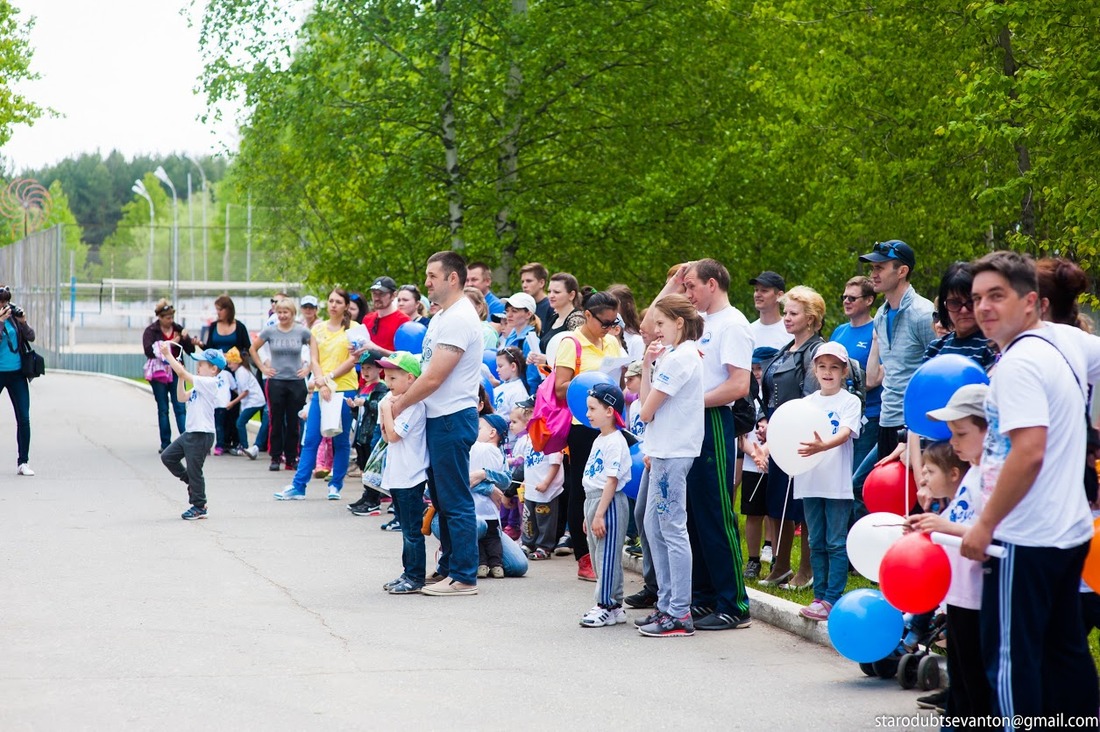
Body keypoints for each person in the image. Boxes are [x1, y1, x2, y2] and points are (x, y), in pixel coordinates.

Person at [961, 250, 1100, 725]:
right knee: (1065, 653)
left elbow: (1028, 452)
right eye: (977, 297)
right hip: (1068, 531)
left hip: (1025, 536)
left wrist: (984, 525)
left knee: (1011, 660)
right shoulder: (1066, 343)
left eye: (997, 296)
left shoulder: (1018, 364)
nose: (983, 308)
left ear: (1032, 302)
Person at [641, 259, 755, 630]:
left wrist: (685, 399)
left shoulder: (733, 323)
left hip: (712, 419)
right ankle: (703, 596)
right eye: (682, 287)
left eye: (690, 286)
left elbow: (739, 386)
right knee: (686, 514)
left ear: (712, 284)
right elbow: (647, 326)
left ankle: (734, 602)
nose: (685, 294)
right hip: (684, 421)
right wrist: (671, 280)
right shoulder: (689, 323)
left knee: (715, 510)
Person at [392, 251, 484, 597]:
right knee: (443, 500)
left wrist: (399, 403)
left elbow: (433, 378)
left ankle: (463, 577)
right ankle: (449, 568)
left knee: (455, 499)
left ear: (453, 279)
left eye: (432, 276)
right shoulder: (443, 316)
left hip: (450, 418)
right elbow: (425, 366)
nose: (427, 282)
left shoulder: (459, 318)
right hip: (438, 418)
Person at [908, 385, 992, 724]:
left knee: (975, 684)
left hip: (978, 598)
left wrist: (942, 527)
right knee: (962, 681)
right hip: (959, 597)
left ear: (989, 430)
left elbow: (984, 534)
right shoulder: (973, 477)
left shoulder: (987, 479)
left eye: (960, 433)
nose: (952, 442)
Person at [632, 294, 704, 638]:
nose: (655, 331)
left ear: (680, 322)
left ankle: (679, 611)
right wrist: (647, 364)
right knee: (653, 524)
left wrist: (642, 414)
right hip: (661, 449)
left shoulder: (683, 358)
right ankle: (665, 604)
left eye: (660, 323)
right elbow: (647, 400)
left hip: (673, 451)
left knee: (671, 527)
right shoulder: (671, 356)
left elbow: (645, 411)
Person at [554, 290, 626, 581]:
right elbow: (560, 387)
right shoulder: (571, 343)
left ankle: (603, 548)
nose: (609, 328)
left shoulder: (611, 341)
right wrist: (590, 385)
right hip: (582, 425)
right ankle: (583, 555)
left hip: (611, 423)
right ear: (587, 315)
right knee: (582, 490)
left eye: (613, 322)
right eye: (604, 322)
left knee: (610, 484)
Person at [855, 240, 935, 496]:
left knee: (910, 496)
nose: (873, 274)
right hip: (887, 419)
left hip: (914, 423)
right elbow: (885, 371)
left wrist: (922, 425)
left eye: (880, 267)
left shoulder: (924, 313)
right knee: (863, 486)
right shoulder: (880, 314)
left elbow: (936, 371)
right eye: (872, 268)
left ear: (902, 271)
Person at [759, 285, 824, 590]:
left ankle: (806, 570)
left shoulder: (816, 352)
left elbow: (812, 398)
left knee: (803, 506)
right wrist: (764, 420)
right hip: (776, 433)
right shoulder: (787, 350)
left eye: (793, 313)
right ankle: (781, 565)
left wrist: (783, 430)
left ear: (811, 319)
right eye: (785, 312)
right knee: (777, 501)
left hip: (801, 437)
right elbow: (769, 390)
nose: (786, 318)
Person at [793, 342, 862, 621]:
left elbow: (845, 433)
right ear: (814, 370)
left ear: (844, 371)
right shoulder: (806, 403)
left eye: (834, 367)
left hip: (836, 484)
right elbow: (789, 435)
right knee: (815, 540)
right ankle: (819, 596)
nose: (828, 372)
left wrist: (823, 446)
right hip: (809, 481)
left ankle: (832, 597)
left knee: (835, 541)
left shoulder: (850, 401)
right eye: (822, 366)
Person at [273, 288, 359, 501]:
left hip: (344, 388)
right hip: (323, 389)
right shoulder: (318, 329)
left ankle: (335, 485)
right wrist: (321, 383)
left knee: (340, 440)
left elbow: (353, 360)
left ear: (346, 306)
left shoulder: (354, 329)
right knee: (311, 438)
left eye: (338, 301)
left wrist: (327, 378)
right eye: (331, 301)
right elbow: (314, 358)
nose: (333, 305)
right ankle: (299, 486)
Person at [578, 382, 633, 628]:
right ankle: (615, 606)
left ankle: (606, 604)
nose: (588, 414)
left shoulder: (615, 441)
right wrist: (588, 514)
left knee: (607, 555)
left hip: (607, 502)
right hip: (594, 501)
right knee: (599, 556)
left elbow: (611, 481)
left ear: (609, 410)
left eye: (592, 408)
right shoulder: (600, 438)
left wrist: (599, 514)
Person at [377, 351, 430, 595]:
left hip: (410, 477)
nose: (388, 384)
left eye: (393, 378)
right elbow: (387, 436)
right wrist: (384, 411)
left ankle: (415, 576)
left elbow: (396, 435)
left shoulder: (414, 406)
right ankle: (408, 571)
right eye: (386, 378)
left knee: (412, 531)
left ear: (410, 379)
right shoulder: (395, 403)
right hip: (397, 475)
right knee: (405, 529)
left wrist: (387, 409)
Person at [159, 346, 227, 520]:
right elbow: (181, 397)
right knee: (168, 457)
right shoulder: (200, 385)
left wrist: (168, 355)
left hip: (202, 434)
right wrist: (181, 378)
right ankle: (190, 481)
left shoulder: (210, 383)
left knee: (195, 470)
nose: (198, 367)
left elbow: (183, 372)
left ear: (213, 369)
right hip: (191, 433)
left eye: (202, 364)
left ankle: (199, 506)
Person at [250, 297, 311, 472]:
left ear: (293, 314)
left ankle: (292, 458)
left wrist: (307, 368)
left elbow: (315, 348)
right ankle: (275, 457)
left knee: (294, 422)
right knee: (275, 421)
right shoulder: (270, 331)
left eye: (286, 312)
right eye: (280, 312)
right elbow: (253, 348)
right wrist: (263, 366)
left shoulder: (301, 331)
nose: (283, 316)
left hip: (296, 381)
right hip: (276, 381)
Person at [828, 276, 880, 470]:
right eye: (844, 297)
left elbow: (874, 379)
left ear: (869, 300)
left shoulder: (877, 330)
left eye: (852, 298)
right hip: (837, 415)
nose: (846, 302)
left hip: (868, 417)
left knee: (856, 478)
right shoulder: (839, 332)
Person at [200, 295, 253, 455]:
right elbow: (209, 348)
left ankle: (234, 440)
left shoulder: (240, 327)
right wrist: (200, 346)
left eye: (220, 309)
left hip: (235, 371)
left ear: (228, 310)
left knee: (233, 406)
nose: (218, 313)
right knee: (218, 406)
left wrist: (236, 357)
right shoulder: (213, 326)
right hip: (218, 372)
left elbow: (247, 348)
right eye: (216, 309)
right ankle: (220, 441)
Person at [142, 299, 196, 453]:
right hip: (159, 373)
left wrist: (185, 339)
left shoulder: (178, 329)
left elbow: (190, 350)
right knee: (163, 408)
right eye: (167, 318)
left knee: (180, 406)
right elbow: (149, 351)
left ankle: (186, 441)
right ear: (159, 317)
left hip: (176, 371)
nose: (170, 321)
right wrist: (173, 342)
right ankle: (166, 443)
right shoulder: (151, 331)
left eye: (172, 317)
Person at [513, 403, 564, 560]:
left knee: (545, 518)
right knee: (529, 517)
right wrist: (525, 480)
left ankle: (544, 546)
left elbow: (555, 463)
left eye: (530, 413)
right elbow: (529, 463)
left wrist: (546, 483)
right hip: (531, 486)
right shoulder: (530, 437)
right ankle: (528, 543)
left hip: (546, 489)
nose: (528, 417)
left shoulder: (551, 436)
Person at [346, 354, 391, 517]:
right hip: (362, 434)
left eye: (369, 368)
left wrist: (364, 403)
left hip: (373, 433)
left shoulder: (381, 388)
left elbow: (379, 407)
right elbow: (360, 414)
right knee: (365, 466)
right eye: (363, 368)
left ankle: (373, 499)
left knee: (373, 466)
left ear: (379, 369)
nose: (364, 371)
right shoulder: (363, 388)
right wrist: (354, 407)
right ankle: (368, 496)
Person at [0, 285, 36, 475]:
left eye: (6, 302)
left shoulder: (13, 316)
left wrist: (23, 322)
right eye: (1, 302)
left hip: (17, 374)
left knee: (23, 418)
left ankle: (23, 462)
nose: (4, 305)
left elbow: (31, 336)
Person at [471, 413, 509, 579]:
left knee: (477, 539)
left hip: (473, 507)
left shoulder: (477, 448)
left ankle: (482, 565)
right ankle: (497, 565)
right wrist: (489, 486)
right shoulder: (499, 453)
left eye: (479, 428)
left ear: (492, 432)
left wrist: (482, 477)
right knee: (493, 538)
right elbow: (506, 479)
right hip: (491, 510)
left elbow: (466, 478)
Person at [224, 347, 268, 459]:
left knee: (240, 422)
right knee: (244, 422)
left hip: (254, 401)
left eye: (230, 363)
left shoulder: (241, 372)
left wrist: (232, 403)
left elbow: (245, 392)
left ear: (236, 361)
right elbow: (240, 389)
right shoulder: (241, 371)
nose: (229, 366)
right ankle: (247, 446)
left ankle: (244, 446)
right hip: (255, 400)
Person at [536, 272, 585, 361]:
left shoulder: (577, 320)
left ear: (571, 295)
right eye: (549, 291)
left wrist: (547, 361)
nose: (551, 296)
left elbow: (577, 355)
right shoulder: (554, 318)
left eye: (556, 292)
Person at [501, 292, 542, 388]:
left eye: (514, 311)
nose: (509, 315)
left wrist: (530, 401)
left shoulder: (531, 340)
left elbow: (533, 378)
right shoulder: (512, 335)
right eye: (507, 311)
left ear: (528, 314)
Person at [363, 276, 410, 351]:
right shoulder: (367, 319)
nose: (377, 298)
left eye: (382, 294)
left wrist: (377, 349)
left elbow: (405, 356)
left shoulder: (404, 321)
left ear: (394, 295)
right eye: (374, 294)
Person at [749, 271, 789, 350]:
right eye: (756, 290)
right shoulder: (748, 331)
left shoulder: (791, 329)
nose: (757, 294)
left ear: (779, 295)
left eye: (764, 291)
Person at [607, 284, 645, 361]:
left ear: (627, 307)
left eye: (614, 306)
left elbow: (638, 370)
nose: (608, 311)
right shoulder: (604, 334)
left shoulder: (637, 341)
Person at [519, 262, 553, 330]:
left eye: (529, 281)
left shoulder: (551, 307)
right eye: (522, 281)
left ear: (541, 283)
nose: (524, 285)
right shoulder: (521, 306)